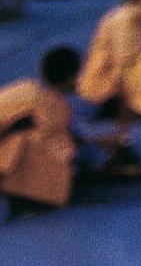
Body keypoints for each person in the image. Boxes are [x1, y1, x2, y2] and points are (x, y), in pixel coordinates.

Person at [1, 47, 83, 214]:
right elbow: (65, 149)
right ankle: (21, 192)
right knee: (64, 160)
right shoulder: (56, 105)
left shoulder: (25, 85)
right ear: (69, 78)